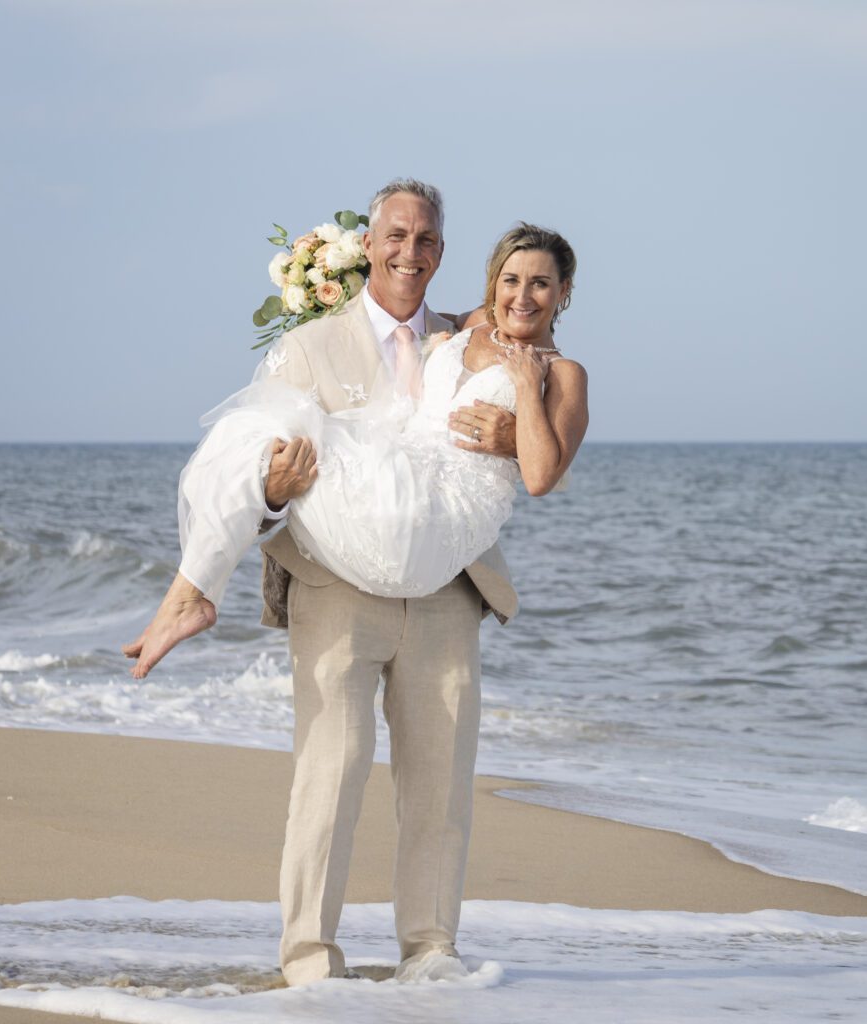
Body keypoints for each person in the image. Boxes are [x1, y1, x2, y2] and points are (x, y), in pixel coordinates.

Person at [124, 181, 588, 982]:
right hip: (339, 583)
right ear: (367, 245)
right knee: (329, 776)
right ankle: (309, 959)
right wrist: (272, 489)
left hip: (446, 586)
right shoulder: (309, 345)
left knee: (440, 786)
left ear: (444, 254)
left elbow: (546, 452)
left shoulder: (466, 331)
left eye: (429, 240)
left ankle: (431, 952)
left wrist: (515, 430)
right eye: (398, 236)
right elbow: (280, 480)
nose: (412, 252)